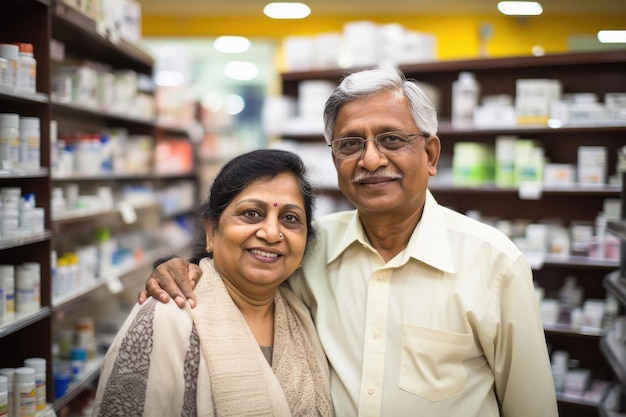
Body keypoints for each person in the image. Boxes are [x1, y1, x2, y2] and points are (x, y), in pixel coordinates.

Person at [140, 67, 558, 416]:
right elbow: (241, 276)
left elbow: (532, 407)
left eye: (392, 139)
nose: (371, 159)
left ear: (431, 155)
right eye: (350, 144)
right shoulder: (308, 246)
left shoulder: (493, 264)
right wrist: (185, 268)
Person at [93, 149, 334, 416]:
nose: (271, 232)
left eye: (290, 218)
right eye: (252, 213)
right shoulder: (168, 316)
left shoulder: (304, 314)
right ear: (211, 230)